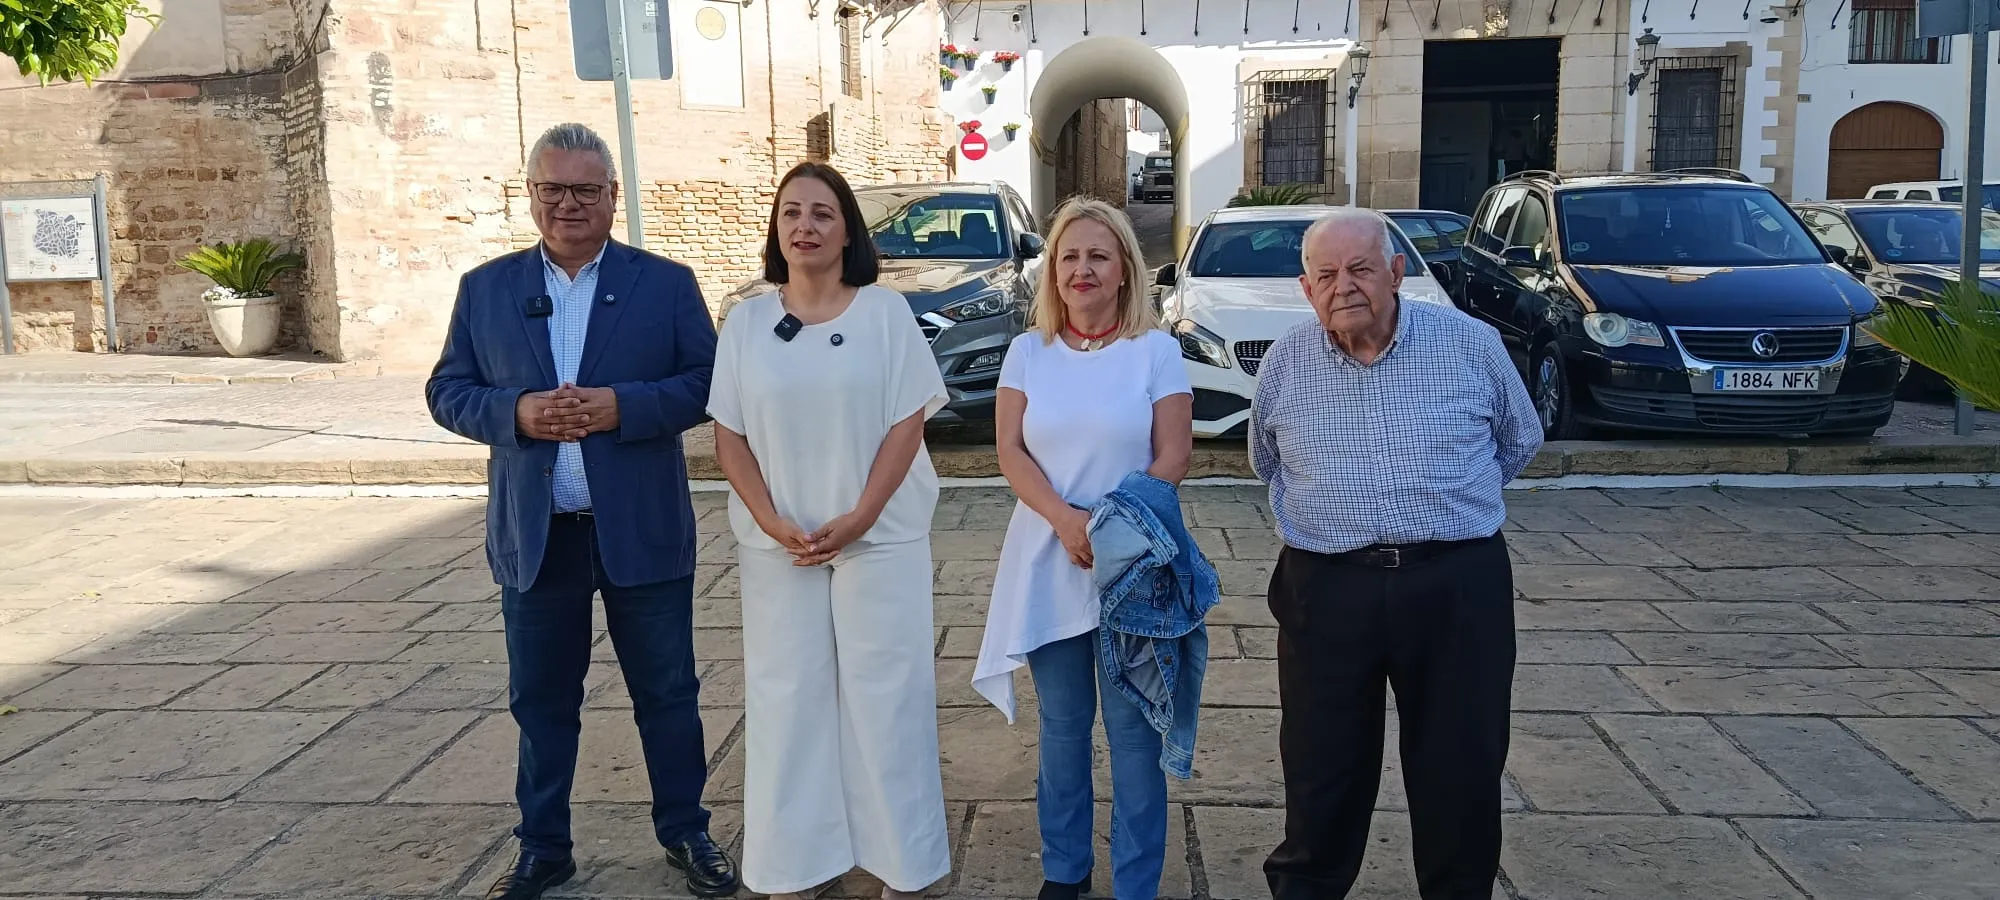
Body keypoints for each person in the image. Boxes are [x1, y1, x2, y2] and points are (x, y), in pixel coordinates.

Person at [425, 123, 739, 900]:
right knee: (541, 701)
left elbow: (709, 381)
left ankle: (687, 831)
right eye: (554, 189)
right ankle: (543, 846)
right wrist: (518, 414)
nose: (570, 204)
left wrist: (621, 407)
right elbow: (446, 391)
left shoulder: (663, 284)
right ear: (530, 193)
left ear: (612, 198)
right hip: (538, 537)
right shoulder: (486, 288)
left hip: (641, 531)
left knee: (667, 693)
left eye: (586, 191)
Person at [1249, 207, 1543, 900]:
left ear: (1397, 273)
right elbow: (1268, 460)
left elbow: (1518, 440)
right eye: (1326, 274)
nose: (1344, 286)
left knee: (1461, 767)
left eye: (1360, 268)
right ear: (1305, 287)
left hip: (1455, 588)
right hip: (1327, 587)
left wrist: (1443, 505)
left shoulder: (1469, 344)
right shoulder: (1285, 362)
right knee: (1321, 768)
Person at [707, 161, 953, 900]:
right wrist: (771, 520)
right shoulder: (748, 322)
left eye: (821, 212)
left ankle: (893, 865)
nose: (805, 226)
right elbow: (729, 437)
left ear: (847, 228)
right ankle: (793, 865)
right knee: (789, 704)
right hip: (781, 549)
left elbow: (907, 421)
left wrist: (863, 514)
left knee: (887, 702)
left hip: (878, 541)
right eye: (791, 213)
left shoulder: (884, 314)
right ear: (776, 230)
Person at [972, 197, 1196, 900]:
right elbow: (1009, 450)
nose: (1082, 269)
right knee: (1064, 732)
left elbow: (1175, 455)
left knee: (1135, 739)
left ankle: (1136, 885)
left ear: (1126, 268)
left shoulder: (1156, 351)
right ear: (1053, 271)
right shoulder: (1026, 352)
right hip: (1047, 561)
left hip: (1135, 570)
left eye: (1098, 255)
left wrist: (1110, 528)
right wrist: (1066, 523)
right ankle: (1064, 873)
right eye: (1069, 256)